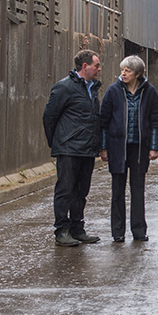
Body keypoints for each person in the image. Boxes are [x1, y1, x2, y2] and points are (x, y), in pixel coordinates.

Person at [42, 49, 104, 247]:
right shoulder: (64, 87)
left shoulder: (92, 88)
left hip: (87, 149)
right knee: (65, 190)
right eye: (97, 65)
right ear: (85, 67)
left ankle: (78, 228)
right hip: (69, 149)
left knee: (81, 191)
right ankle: (62, 230)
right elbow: (49, 117)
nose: (99, 69)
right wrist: (58, 142)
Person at [99, 55, 158, 242]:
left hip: (139, 149)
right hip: (118, 147)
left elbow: (155, 122)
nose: (123, 74)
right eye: (122, 70)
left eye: (128, 71)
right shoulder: (113, 91)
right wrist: (103, 148)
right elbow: (104, 121)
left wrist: (154, 147)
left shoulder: (149, 92)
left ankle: (139, 230)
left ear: (138, 73)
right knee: (117, 191)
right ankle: (117, 232)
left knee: (138, 189)